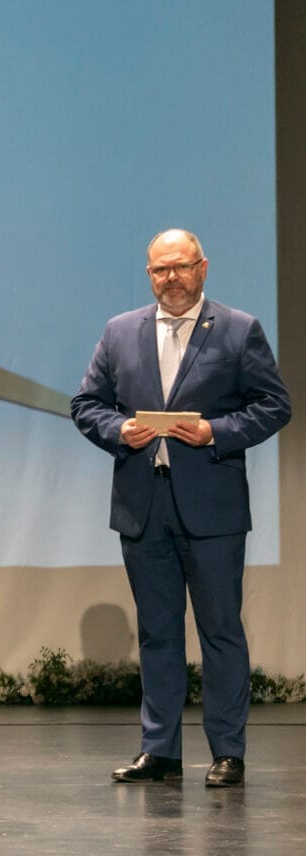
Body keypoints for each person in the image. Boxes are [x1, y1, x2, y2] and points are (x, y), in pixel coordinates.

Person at [71, 229, 290, 787]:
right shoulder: (121, 331)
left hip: (212, 507)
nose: (171, 278)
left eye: (181, 267)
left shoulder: (238, 329)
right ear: (149, 274)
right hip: (144, 504)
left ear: (203, 268)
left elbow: (274, 405)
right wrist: (119, 429)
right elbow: (86, 404)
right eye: (160, 270)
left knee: (220, 631)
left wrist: (216, 431)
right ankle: (160, 750)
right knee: (157, 632)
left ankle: (227, 751)